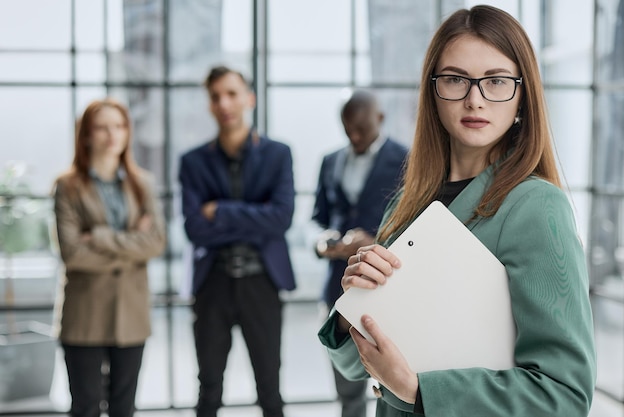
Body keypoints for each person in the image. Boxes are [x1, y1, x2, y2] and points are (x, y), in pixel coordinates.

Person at [318, 5, 596, 417]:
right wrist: (353, 309)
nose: (474, 99)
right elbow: (359, 366)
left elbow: (564, 395)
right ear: (433, 89)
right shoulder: (405, 203)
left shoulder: (537, 208)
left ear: (522, 94)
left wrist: (419, 390)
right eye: (455, 79)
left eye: (496, 81)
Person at [178, 65, 296, 417]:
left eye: (231, 93)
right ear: (209, 105)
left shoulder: (278, 154)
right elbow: (195, 229)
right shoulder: (192, 162)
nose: (224, 103)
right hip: (212, 283)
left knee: (269, 388)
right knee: (209, 387)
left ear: (249, 99)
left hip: (262, 282)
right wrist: (253, 216)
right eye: (216, 97)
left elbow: (281, 219)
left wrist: (220, 211)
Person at [53, 98, 166, 417]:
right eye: (102, 127)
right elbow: (73, 254)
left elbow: (156, 242)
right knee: (86, 407)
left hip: (131, 313)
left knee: (123, 408)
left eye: (118, 126)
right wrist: (132, 247)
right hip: (84, 315)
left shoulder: (142, 183)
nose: (111, 134)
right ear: (86, 135)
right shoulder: (68, 186)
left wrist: (100, 237)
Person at [312, 90, 408, 417]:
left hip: (387, 283)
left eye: (361, 129)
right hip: (337, 285)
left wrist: (376, 239)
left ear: (380, 120)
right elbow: (321, 218)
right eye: (347, 129)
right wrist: (326, 242)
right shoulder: (330, 161)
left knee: (393, 382)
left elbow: (415, 224)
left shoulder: (407, 159)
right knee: (346, 385)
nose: (354, 136)